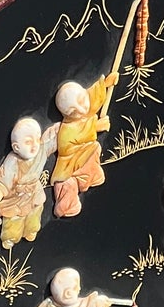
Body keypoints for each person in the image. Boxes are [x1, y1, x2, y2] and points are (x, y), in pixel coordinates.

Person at [50, 70, 118, 217]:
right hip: (71, 164)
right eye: (73, 112)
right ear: (66, 115)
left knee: (95, 150)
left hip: (85, 154)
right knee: (68, 184)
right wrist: (96, 126)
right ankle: (66, 204)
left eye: (81, 101)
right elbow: (77, 137)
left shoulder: (85, 103)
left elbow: (92, 97)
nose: (81, 110)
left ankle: (92, 177)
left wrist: (105, 84)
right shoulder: (68, 128)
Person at [0, 115, 57, 247]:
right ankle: (10, 237)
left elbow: (52, 139)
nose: (35, 145)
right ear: (16, 147)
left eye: (37, 139)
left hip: (34, 192)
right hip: (16, 196)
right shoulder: (13, 161)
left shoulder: (41, 150)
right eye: (28, 142)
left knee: (35, 212)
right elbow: (4, 176)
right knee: (14, 218)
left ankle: (31, 230)